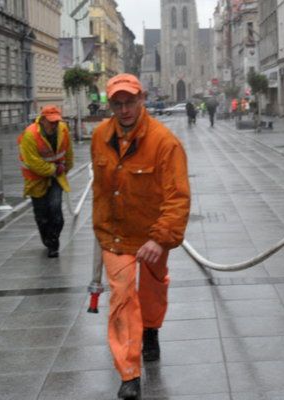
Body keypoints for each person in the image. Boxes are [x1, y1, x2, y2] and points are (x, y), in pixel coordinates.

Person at [91, 73, 191, 400]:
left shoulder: (165, 142)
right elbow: (101, 191)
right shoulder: (100, 136)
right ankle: (129, 373)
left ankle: (151, 329)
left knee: (152, 291)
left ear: (142, 98)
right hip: (116, 235)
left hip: (151, 235)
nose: (124, 109)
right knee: (121, 298)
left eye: (130, 101)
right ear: (111, 105)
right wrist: (101, 227)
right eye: (117, 104)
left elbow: (177, 197)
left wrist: (160, 238)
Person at [18, 105, 73, 258]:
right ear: (42, 120)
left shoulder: (62, 129)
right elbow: (33, 162)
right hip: (36, 180)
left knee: (56, 212)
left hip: (56, 178)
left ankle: (53, 243)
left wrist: (67, 167)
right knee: (42, 216)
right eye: (51, 122)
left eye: (56, 121)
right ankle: (47, 239)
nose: (54, 124)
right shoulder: (30, 135)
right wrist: (54, 169)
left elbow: (68, 150)